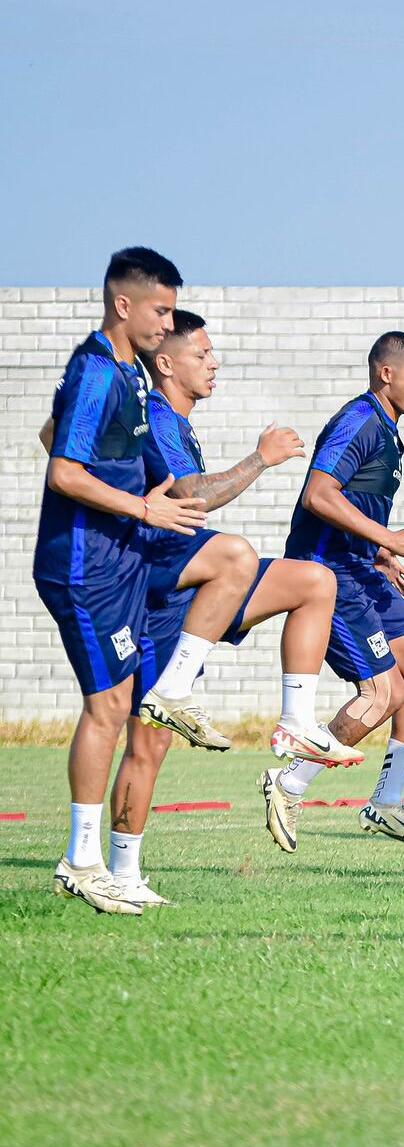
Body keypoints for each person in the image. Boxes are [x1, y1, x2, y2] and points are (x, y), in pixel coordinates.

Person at [108, 311, 356, 904]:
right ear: (165, 363)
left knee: (314, 582)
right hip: (162, 590)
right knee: (149, 744)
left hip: (202, 581)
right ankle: (118, 872)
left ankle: (297, 724)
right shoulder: (159, 416)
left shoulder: (179, 423)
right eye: (202, 354)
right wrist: (260, 459)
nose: (214, 363)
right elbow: (193, 495)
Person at [37, 247, 213, 915]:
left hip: (117, 562)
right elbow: (62, 468)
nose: (167, 323)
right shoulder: (95, 370)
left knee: (134, 711)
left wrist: (134, 489)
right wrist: (144, 506)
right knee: (109, 707)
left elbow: (54, 432)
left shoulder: (129, 374)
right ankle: (82, 861)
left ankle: (109, 865)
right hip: (82, 567)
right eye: (160, 310)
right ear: (123, 304)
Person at [261, 332, 404, 851]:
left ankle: (387, 802)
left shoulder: (390, 429)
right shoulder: (360, 420)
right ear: (386, 373)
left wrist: (381, 552)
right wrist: (389, 538)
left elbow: (353, 506)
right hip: (330, 574)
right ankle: (288, 783)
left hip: (361, 566)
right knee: (384, 692)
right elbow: (319, 494)